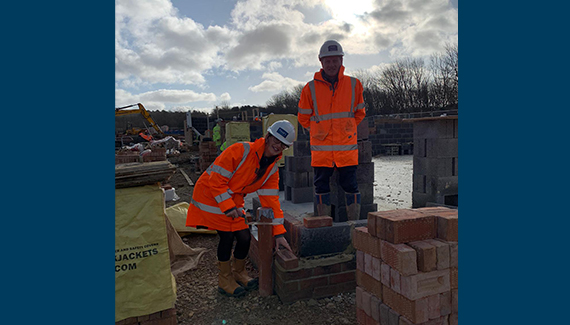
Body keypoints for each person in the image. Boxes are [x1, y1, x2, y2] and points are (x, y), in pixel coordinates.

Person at [186, 120, 295, 297]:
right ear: (267, 137)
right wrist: (228, 207)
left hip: (232, 200)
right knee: (227, 236)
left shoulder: (271, 169)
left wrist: (279, 234)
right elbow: (216, 181)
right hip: (211, 196)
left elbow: (271, 202)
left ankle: (239, 273)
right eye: (276, 140)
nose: (279, 146)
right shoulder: (241, 150)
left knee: (244, 237)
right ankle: (224, 279)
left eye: (283, 144)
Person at [297, 40, 366, 221]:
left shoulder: (354, 85)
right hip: (322, 151)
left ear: (341, 60)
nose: (331, 64)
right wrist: (319, 131)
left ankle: (354, 225)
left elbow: (360, 113)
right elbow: (303, 118)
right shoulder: (310, 88)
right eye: (327, 61)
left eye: (335, 60)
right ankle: (323, 224)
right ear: (321, 62)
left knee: (350, 185)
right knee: (321, 186)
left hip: (346, 149)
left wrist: (347, 130)